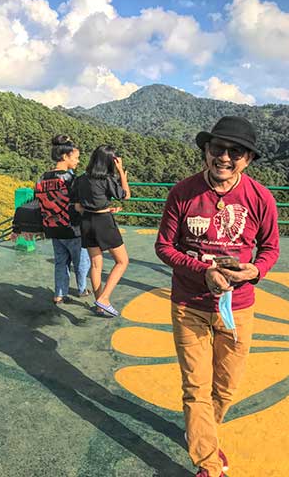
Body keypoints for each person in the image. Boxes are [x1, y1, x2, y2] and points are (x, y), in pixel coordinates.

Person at [155, 116, 280, 477]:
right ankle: (208, 463)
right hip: (189, 305)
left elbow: (270, 248)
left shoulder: (260, 198)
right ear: (206, 151)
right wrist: (202, 272)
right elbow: (164, 246)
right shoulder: (182, 193)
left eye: (235, 152)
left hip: (237, 309)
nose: (224, 157)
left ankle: (202, 430)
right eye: (217, 149)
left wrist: (255, 270)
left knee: (225, 388)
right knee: (195, 387)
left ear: (248, 159)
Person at [70, 145, 131, 317]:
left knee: (96, 264)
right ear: (109, 162)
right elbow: (125, 195)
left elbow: (77, 205)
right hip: (104, 223)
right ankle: (104, 298)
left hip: (87, 222)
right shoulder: (106, 180)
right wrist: (121, 173)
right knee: (122, 261)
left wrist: (102, 208)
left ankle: (99, 306)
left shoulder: (81, 179)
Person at [35, 135, 90, 304]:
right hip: (73, 228)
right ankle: (82, 289)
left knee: (60, 262)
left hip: (52, 227)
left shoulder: (42, 178)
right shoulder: (71, 179)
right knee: (81, 261)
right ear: (65, 157)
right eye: (76, 158)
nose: (78, 161)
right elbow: (80, 203)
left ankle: (59, 293)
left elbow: (38, 201)